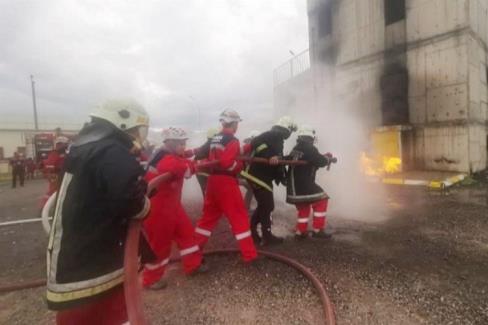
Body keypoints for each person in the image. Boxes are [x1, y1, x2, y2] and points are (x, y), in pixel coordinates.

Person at [46, 99, 151, 325]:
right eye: (136, 129)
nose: (137, 135)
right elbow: (128, 199)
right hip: (95, 256)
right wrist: (145, 204)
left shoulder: (85, 146)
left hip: (79, 250)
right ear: (122, 123)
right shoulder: (111, 151)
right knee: (104, 312)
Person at [142, 127, 206, 289]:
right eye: (180, 143)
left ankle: (193, 265)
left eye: (184, 142)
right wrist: (193, 165)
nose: (183, 146)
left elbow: (183, 158)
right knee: (160, 243)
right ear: (169, 142)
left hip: (172, 205)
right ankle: (151, 279)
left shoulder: (169, 153)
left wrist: (195, 153)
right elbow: (182, 169)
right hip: (158, 208)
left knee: (186, 234)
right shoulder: (164, 158)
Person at [193, 109, 257, 263]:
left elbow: (224, 154)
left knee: (206, 220)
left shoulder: (216, 138)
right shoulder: (232, 140)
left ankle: (193, 251)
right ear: (234, 123)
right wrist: (240, 166)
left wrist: (248, 146)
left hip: (213, 181)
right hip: (226, 183)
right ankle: (250, 255)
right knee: (239, 217)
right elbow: (227, 162)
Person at [241, 116, 297, 246]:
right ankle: (266, 236)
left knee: (264, 206)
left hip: (261, 177)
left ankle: (256, 233)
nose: (290, 134)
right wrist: (269, 156)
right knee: (267, 206)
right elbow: (256, 142)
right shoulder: (274, 134)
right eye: (291, 131)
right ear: (287, 128)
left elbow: (276, 159)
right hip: (258, 176)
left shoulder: (277, 137)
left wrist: (286, 160)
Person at [286, 125, 334, 239]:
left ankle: (300, 232)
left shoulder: (297, 148)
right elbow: (320, 161)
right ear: (310, 138)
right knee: (322, 199)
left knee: (304, 206)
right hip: (303, 185)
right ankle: (318, 230)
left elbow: (312, 159)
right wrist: (327, 159)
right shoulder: (309, 147)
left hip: (294, 188)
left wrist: (323, 157)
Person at [40, 136, 70, 208]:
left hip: (63, 176)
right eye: (59, 144)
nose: (66, 146)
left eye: (65, 144)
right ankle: (44, 208)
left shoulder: (66, 154)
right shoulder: (54, 154)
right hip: (56, 177)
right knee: (53, 193)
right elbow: (48, 166)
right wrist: (58, 169)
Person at [194, 127, 219, 195]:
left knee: (205, 190)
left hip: (198, 170)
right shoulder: (213, 145)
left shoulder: (205, 145)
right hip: (205, 170)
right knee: (211, 192)